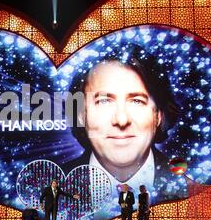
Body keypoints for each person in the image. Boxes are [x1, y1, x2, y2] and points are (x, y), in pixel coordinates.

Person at [65, 45, 187, 205]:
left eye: (137, 101)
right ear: (81, 116)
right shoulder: (56, 183)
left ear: (158, 115)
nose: (121, 120)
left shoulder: (189, 186)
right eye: (104, 101)